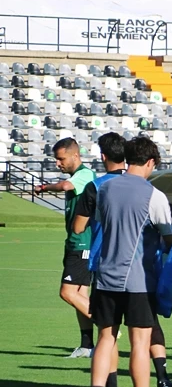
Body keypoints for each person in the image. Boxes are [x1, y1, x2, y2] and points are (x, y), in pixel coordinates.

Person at [73, 133, 172, 387]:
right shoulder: (153, 194)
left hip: (105, 275)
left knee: (105, 339)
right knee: (140, 343)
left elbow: (88, 226)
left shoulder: (102, 189)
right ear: (150, 162)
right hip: (138, 279)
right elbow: (170, 238)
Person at [34, 138, 96, 358]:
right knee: (79, 295)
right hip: (74, 242)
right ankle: (87, 345)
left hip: (82, 243)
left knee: (67, 292)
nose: (58, 163)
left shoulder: (85, 175)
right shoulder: (77, 176)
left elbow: (66, 186)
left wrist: (44, 187)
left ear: (75, 156)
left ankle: (106, 323)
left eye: (61, 158)